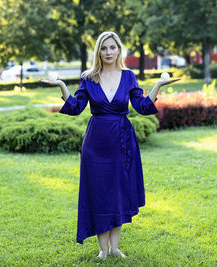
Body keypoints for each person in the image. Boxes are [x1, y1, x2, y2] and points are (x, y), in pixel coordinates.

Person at [40, 31, 180, 259]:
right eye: (103, 48)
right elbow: (75, 108)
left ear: (119, 50)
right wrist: (62, 87)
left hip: (122, 142)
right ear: (98, 51)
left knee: (117, 192)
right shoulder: (89, 77)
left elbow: (143, 107)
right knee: (99, 193)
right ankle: (102, 250)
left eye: (112, 48)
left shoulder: (128, 76)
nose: (108, 52)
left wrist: (158, 86)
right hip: (95, 144)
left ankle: (114, 248)